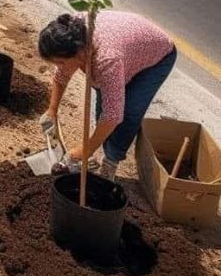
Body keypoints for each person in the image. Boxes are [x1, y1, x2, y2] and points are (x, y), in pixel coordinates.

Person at [38, 12, 176, 182]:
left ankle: (111, 160)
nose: (60, 67)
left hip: (156, 57)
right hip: (125, 49)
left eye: (61, 62)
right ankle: (99, 147)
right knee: (105, 103)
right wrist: (52, 111)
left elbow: (112, 115)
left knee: (128, 111)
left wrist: (85, 151)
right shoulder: (70, 33)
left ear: (79, 53)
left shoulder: (107, 60)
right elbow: (61, 76)